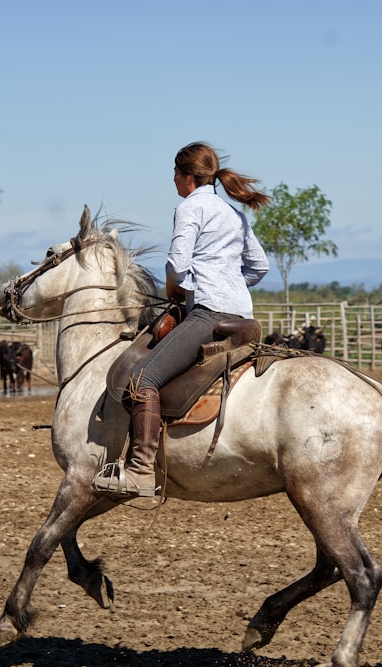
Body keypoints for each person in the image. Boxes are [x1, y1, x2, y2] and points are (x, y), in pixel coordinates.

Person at [92, 141, 271, 498]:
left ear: (188, 176)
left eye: (175, 173)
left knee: (144, 379)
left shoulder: (191, 208)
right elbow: (260, 266)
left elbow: (176, 265)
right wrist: (232, 284)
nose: (173, 180)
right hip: (243, 313)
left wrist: (188, 288)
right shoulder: (233, 213)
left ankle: (141, 470)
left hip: (208, 312)